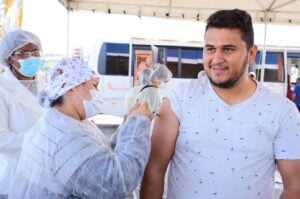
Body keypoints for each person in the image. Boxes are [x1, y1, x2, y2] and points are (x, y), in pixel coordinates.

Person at [140, 9, 300, 199]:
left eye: (228, 49)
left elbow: (294, 185)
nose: (216, 59)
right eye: (210, 49)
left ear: (251, 54)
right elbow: (154, 170)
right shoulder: (179, 98)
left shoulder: (281, 111)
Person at [9, 58, 152, 199]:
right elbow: (118, 183)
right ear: (74, 87)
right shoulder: (66, 138)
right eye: (94, 85)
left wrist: (126, 129)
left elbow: (101, 154)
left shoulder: (62, 122)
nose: (98, 92)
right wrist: (137, 126)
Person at [0, 29, 43, 197]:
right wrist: (41, 141)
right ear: (9, 57)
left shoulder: (46, 83)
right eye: (23, 53)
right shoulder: (2, 89)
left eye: (35, 52)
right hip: (14, 173)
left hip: (45, 172)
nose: (31, 58)